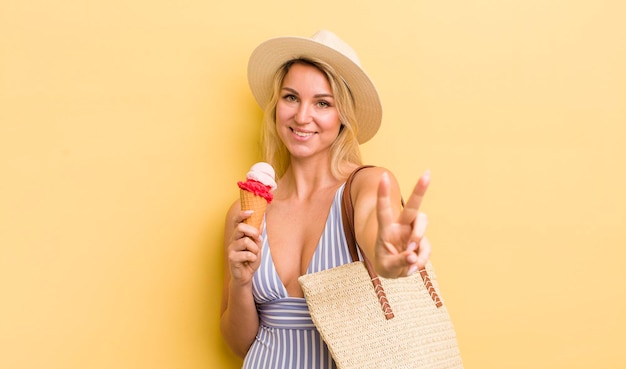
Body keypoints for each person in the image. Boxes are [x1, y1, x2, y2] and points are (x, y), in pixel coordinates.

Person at [220, 30, 432, 369]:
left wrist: (389, 256)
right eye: (291, 98)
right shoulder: (246, 211)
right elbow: (238, 343)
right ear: (277, 106)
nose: (302, 117)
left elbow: (377, 234)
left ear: (343, 115)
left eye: (322, 102)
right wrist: (241, 283)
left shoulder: (368, 185)